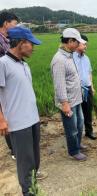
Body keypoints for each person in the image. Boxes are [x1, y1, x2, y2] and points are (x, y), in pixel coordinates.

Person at [0, 26, 44, 196]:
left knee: (35, 160)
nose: (33, 47)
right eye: (30, 44)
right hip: (18, 124)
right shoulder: (3, 64)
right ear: (20, 43)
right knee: (25, 163)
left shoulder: (25, 65)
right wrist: (1, 119)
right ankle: (29, 193)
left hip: (33, 119)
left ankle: (33, 188)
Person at [51, 28, 87, 161]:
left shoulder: (69, 56)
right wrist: (65, 104)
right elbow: (59, 84)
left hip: (76, 99)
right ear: (70, 41)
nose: (79, 45)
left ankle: (77, 144)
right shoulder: (59, 60)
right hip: (68, 102)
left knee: (79, 124)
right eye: (77, 42)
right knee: (71, 128)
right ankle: (74, 151)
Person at [0, 11, 19, 160]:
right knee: (5, 116)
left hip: (10, 84)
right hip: (3, 85)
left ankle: (16, 146)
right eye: (14, 24)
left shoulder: (6, 40)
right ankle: (14, 150)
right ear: (6, 23)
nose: (16, 27)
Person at [73, 34, 97, 140]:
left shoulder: (86, 58)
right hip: (76, 90)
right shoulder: (71, 58)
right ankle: (76, 134)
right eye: (84, 44)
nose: (86, 46)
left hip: (87, 89)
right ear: (77, 44)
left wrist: (92, 87)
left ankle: (89, 131)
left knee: (88, 111)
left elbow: (89, 73)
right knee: (77, 113)